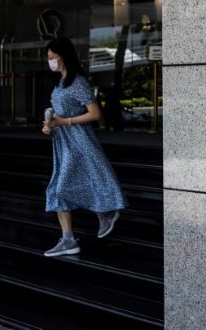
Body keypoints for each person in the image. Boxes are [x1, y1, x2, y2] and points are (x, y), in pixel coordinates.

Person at [41, 37, 127, 257]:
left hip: (79, 139)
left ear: (63, 56)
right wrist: (50, 125)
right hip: (62, 141)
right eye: (48, 57)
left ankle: (105, 210)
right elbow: (59, 113)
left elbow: (95, 113)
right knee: (57, 189)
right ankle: (68, 239)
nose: (50, 61)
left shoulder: (77, 82)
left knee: (63, 186)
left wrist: (64, 122)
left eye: (52, 57)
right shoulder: (60, 82)